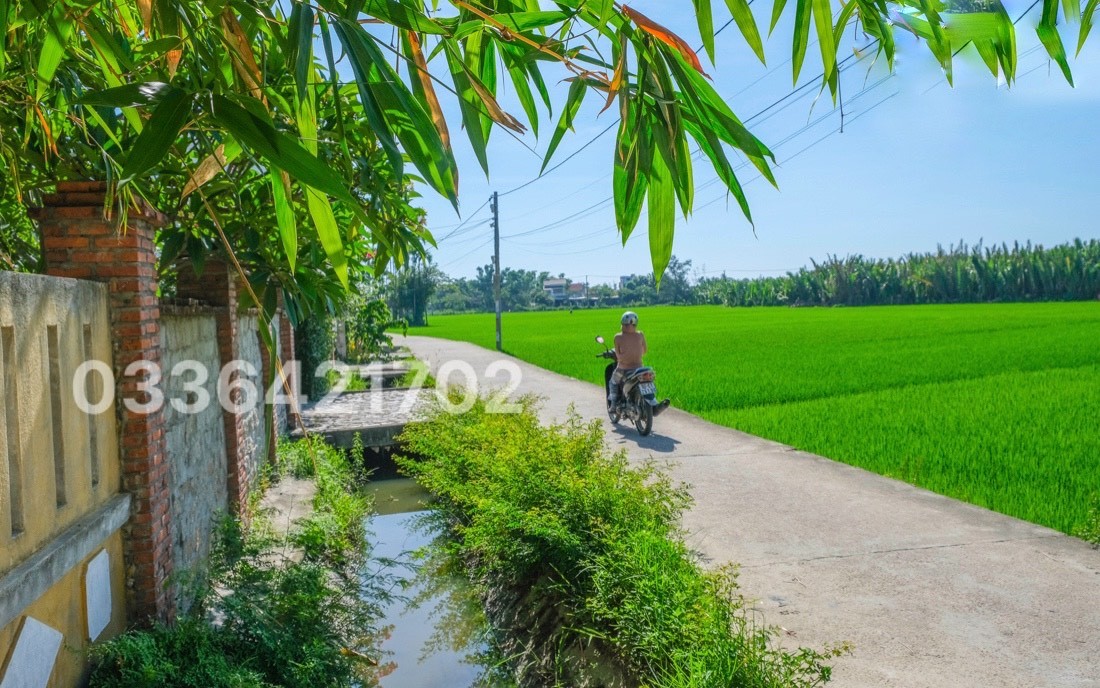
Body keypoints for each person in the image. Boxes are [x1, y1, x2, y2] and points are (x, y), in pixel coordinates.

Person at [608, 310, 646, 406]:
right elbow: (644, 351)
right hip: (639, 368)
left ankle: (613, 404)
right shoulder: (640, 334)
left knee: (613, 382)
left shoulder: (618, 337)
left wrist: (624, 358)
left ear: (623, 324)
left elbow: (618, 355)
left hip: (623, 369)